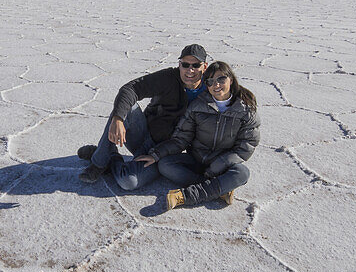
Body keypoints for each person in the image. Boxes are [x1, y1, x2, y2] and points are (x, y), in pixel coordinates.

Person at [78, 44, 209, 188]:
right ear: (179, 65)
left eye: (196, 65)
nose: (190, 70)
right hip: (142, 134)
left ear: (205, 66)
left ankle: (111, 156)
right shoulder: (168, 78)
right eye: (185, 64)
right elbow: (131, 89)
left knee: (128, 182)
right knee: (125, 109)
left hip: (166, 151)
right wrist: (118, 118)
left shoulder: (211, 90)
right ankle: (98, 162)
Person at [135, 61, 259, 210]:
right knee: (165, 165)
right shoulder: (198, 106)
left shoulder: (246, 110)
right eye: (210, 81)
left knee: (242, 173)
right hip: (197, 159)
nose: (216, 85)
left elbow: (246, 146)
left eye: (221, 79)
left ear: (230, 80)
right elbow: (181, 138)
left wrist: (217, 166)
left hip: (223, 164)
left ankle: (185, 196)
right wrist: (156, 154)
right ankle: (219, 189)